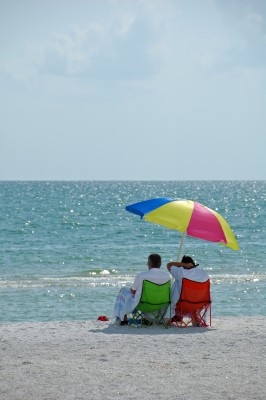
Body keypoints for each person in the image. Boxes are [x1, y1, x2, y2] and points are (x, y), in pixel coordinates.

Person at [113, 254, 170, 325]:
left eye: (148, 262)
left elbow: (133, 291)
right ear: (160, 264)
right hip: (160, 305)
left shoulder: (142, 275)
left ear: (149, 264)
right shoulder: (167, 276)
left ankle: (123, 319)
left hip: (143, 305)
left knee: (124, 290)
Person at [167, 255, 210, 324]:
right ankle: (194, 315)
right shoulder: (204, 273)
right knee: (179, 283)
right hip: (200, 304)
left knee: (176, 283)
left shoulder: (182, 273)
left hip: (183, 304)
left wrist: (183, 265)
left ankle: (170, 317)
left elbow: (169, 265)